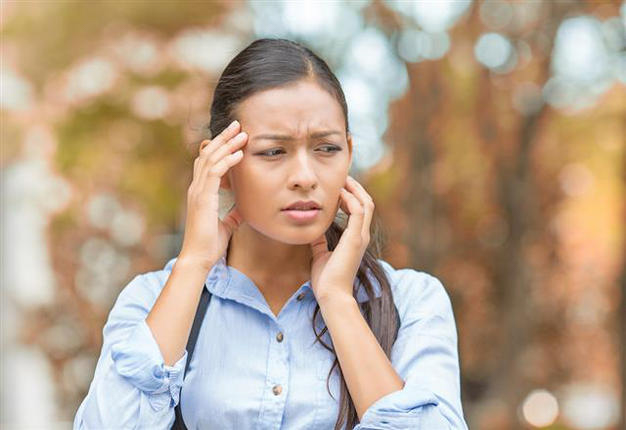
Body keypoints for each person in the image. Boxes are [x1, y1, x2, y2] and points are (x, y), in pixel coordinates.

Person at [73, 38, 468, 430]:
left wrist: (337, 301)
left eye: (326, 149)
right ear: (221, 165)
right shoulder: (151, 301)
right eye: (273, 152)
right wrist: (194, 264)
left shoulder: (410, 301)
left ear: (349, 153)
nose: (305, 177)